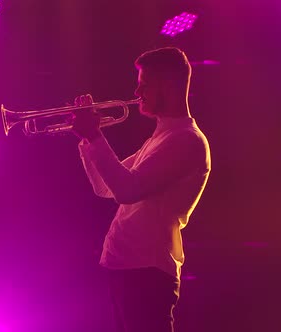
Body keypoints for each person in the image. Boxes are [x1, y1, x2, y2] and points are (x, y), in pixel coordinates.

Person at [71, 47, 211, 332]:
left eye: (144, 84)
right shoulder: (162, 136)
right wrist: (87, 142)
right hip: (127, 268)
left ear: (169, 85)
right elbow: (104, 187)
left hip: (146, 271)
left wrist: (95, 135)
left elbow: (127, 190)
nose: (137, 92)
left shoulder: (187, 141)